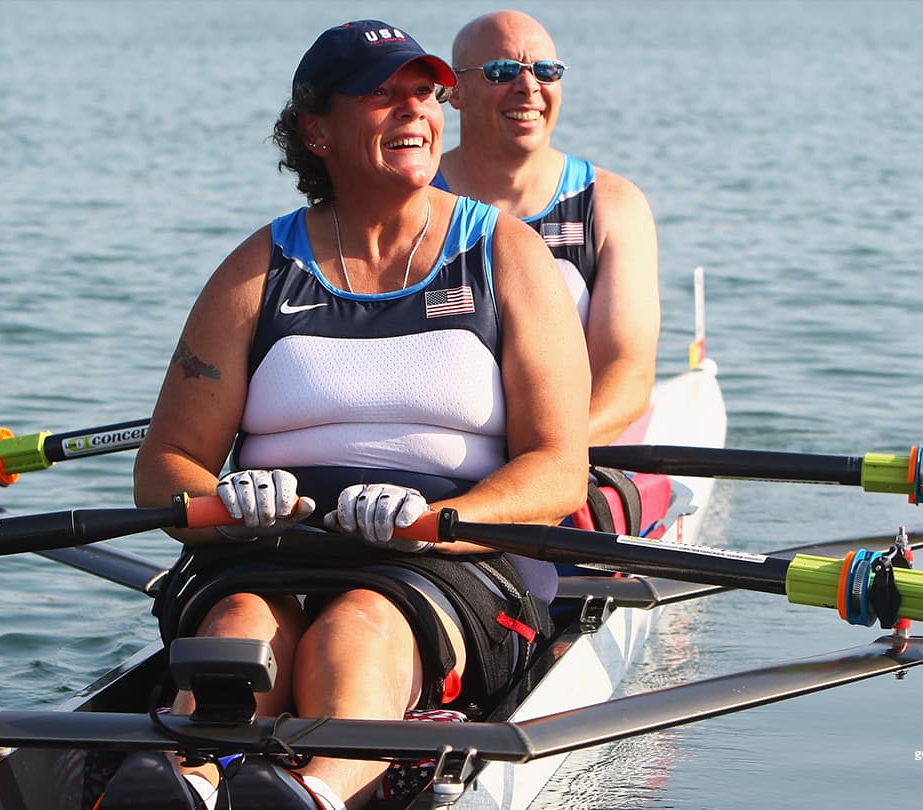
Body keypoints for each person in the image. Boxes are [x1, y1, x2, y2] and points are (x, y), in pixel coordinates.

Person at [127, 18, 591, 810]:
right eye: (383, 96)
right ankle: (190, 783)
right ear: (316, 131)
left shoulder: (507, 255)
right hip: (268, 544)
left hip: (448, 556)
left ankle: (316, 791)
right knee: (239, 618)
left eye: (425, 94)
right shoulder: (256, 271)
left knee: (358, 624)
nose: (415, 112)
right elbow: (163, 467)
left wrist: (442, 517)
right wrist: (223, 508)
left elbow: (557, 467)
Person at [437, 10, 659, 446]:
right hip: (440, 454)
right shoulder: (409, 201)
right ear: (455, 92)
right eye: (501, 71)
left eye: (546, 71)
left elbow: (626, 376)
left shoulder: (614, 206)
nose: (528, 86)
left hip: (568, 451)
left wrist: (543, 459)